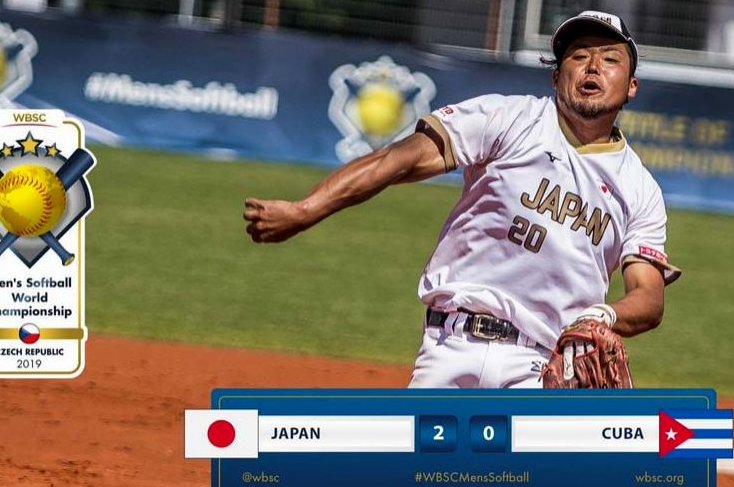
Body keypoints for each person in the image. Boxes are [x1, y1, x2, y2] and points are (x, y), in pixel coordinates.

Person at [243, 10, 681, 388]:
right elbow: (401, 158)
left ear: (631, 86)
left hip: (543, 368)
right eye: (579, 56)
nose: (592, 68)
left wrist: (602, 318)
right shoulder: (509, 119)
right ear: (556, 76)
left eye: (609, 59)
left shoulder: (638, 188)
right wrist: (306, 210)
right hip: (450, 346)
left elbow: (648, 296)